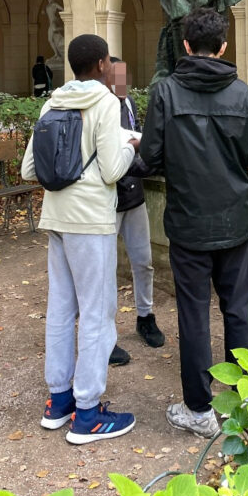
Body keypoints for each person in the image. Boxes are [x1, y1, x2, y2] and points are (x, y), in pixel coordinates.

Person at [140, 8, 248, 437]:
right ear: (225, 47)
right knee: (238, 309)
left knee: (193, 314)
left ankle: (200, 409)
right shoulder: (243, 94)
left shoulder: (166, 93)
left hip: (188, 221)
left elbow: (151, 159)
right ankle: (242, 398)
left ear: (187, 46)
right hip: (236, 219)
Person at [21, 34, 139, 444]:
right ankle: (88, 412)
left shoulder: (52, 102)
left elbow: (28, 169)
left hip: (56, 216)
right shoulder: (107, 103)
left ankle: (59, 401)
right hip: (91, 219)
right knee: (96, 312)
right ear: (104, 64)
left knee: (60, 307)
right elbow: (111, 171)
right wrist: (128, 144)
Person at [107, 56, 165, 366]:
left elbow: (135, 139)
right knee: (106, 270)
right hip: (110, 199)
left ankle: (145, 316)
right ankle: (107, 334)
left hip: (135, 196)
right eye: (116, 76)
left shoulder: (127, 101)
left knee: (143, 262)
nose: (122, 82)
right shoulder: (101, 107)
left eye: (124, 76)